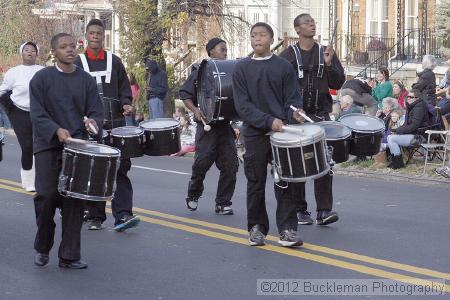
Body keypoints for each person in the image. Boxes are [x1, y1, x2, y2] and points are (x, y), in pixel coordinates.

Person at [29, 33, 103, 269]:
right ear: (54, 52)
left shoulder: (87, 81)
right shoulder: (41, 79)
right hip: (48, 145)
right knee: (47, 196)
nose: (69, 50)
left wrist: (93, 123)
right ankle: (42, 246)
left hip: (77, 147)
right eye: (63, 47)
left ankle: (69, 256)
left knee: (74, 201)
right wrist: (56, 130)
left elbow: (95, 112)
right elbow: (37, 114)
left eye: (72, 46)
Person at [233, 22, 305, 247]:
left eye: (262, 35)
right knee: (255, 182)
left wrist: (296, 114)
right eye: (253, 35)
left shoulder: (283, 67)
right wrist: (267, 121)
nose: (257, 39)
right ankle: (256, 229)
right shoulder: (241, 68)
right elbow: (243, 107)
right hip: (254, 134)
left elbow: (292, 99)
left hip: (282, 134)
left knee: (285, 182)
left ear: (271, 40)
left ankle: (287, 230)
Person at [74, 18, 140, 231]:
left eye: (99, 33)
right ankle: (94, 215)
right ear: (86, 36)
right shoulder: (78, 63)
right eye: (91, 33)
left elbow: (124, 88)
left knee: (120, 168)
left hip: (116, 124)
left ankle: (123, 215)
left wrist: (127, 103)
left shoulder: (115, 61)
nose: (95, 36)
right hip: (89, 126)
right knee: (94, 170)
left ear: (104, 36)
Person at [279, 13, 344, 226]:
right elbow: (277, 85)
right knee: (298, 164)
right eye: (307, 22)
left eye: (313, 22)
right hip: (296, 118)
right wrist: (287, 113)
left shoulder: (326, 52)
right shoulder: (288, 55)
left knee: (324, 164)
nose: (312, 24)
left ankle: (324, 211)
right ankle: (299, 209)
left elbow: (338, 82)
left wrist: (328, 64)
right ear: (297, 29)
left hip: (320, 116)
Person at [179, 37, 238, 215]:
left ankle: (223, 202)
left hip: (224, 127)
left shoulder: (231, 70)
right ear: (211, 51)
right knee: (201, 165)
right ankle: (193, 195)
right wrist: (196, 110)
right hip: (207, 126)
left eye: (226, 50)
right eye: (222, 49)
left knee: (231, 166)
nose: (225, 52)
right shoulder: (200, 70)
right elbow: (185, 94)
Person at [0, 41, 44, 191]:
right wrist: (8, 108)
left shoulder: (42, 71)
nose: (30, 52)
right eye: (26, 50)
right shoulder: (14, 72)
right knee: (27, 146)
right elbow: (3, 90)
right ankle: (28, 182)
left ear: (37, 54)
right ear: (21, 53)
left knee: (41, 147)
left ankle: (41, 179)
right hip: (18, 111)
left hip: (39, 112)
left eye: (33, 50)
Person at [387, 89, 431, 169]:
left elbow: (414, 126)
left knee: (392, 138)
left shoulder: (419, 107)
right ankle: (396, 161)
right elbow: (407, 124)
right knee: (390, 136)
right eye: (408, 97)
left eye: (411, 97)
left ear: (417, 98)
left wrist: (398, 130)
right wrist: (397, 130)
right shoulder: (412, 106)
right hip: (414, 134)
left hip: (420, 136)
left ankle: (398, 163)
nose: (408, 98)